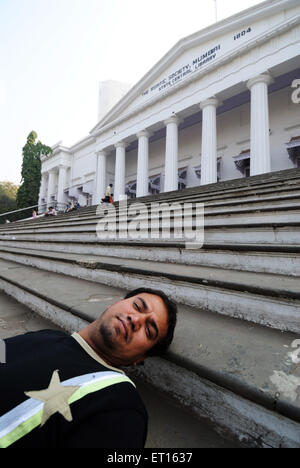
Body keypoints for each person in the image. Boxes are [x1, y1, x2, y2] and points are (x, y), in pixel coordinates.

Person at [0, 288, 177, 448]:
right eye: (137, 306)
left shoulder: (123, 406)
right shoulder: (45, 336)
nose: (136, 319)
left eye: (149, 331)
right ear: (114, 304)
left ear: (139, 359)